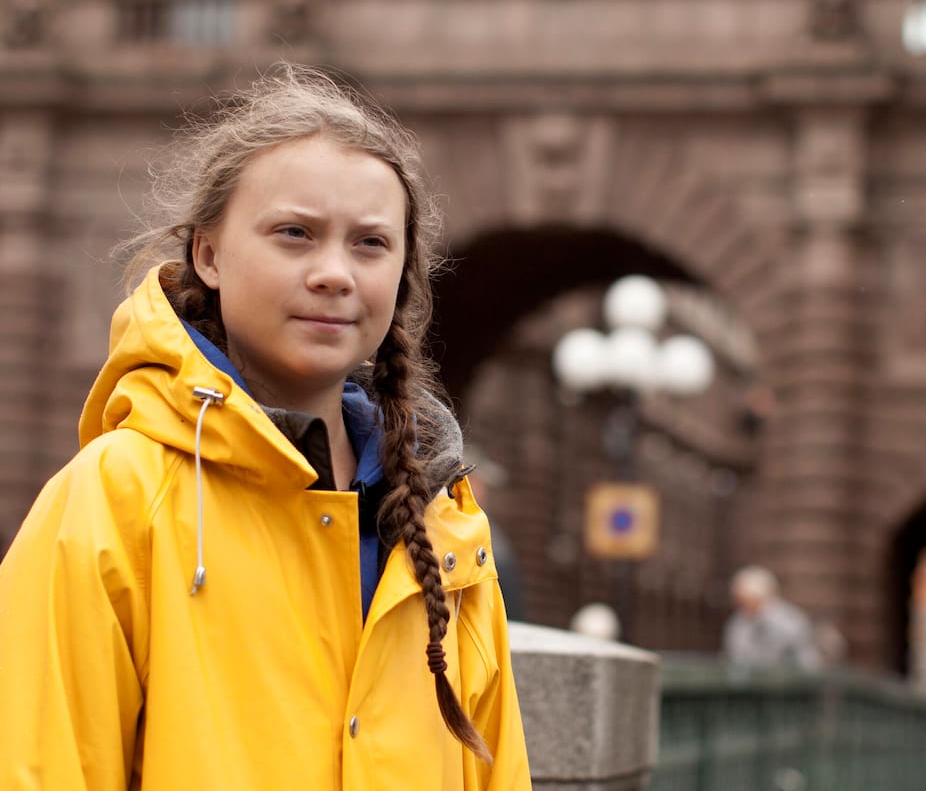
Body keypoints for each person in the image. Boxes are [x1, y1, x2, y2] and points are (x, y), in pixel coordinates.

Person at [0, 64, 530, 790]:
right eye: (294, 234)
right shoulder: (115, 498)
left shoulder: (445, 521)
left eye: (370, 244)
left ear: (403, 273)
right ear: (208, 255)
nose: (334, 273)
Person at [722, 565, 823, 670]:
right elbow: (735, 656)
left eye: (745, 598)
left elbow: (804, 656)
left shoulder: (789, 619)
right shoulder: (737, 622)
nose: (740, 603)